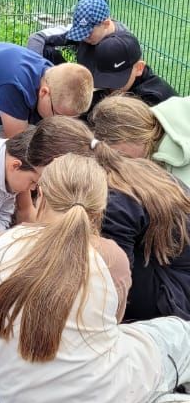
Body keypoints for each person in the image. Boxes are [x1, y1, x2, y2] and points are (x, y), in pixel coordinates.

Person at [0, 153, 190, 403]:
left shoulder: (0, 244)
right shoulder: (110, 257)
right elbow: (112, 326)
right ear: (101, 205)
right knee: (178, 332)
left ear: (40, 192)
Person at [24, 117, 190, 321]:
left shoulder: (111, 202)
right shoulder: (129, 168)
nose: (40, 190)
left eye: (43, 181)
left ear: (58, 162)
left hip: (176, 294)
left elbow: (115, 281)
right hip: (169, 266)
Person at [89, 94, 190, 185]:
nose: (118, 162)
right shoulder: (176, 111)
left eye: (120, 155)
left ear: (131, 136)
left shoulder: (174, 174)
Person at [90, 31, 176, 107]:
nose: (109, 86)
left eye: (117, 80)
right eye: (104, 78)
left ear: (139, 68)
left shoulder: (152, 100)